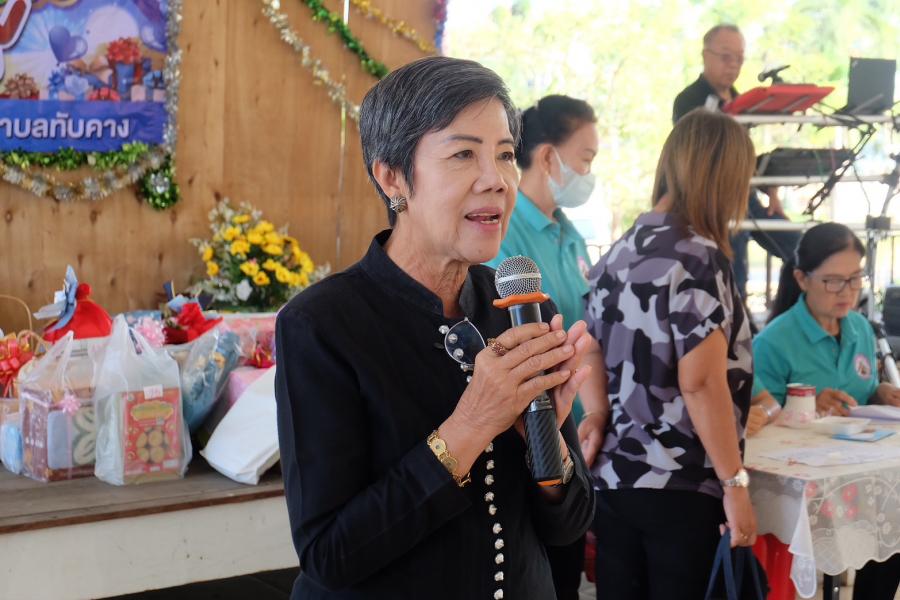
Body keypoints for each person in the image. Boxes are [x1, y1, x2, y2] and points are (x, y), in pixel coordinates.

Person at [274, 56, 596, 600]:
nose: (496, 181)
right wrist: (472, 423)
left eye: (505, 155)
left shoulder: (517, 306)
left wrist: (547, 443)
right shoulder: (322, 324)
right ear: (393, 177)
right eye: (463, 154)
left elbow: (568, 528)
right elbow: (330, 555)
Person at [579, 109, 758, 599]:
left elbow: (588, 349)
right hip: (681, 484)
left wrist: (597, 412)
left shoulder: (617, 253)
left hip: (615, 479)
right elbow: (700, 382)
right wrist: (735, 484)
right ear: (723, 178)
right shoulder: (698, 257)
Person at [487, 94, 599, 600]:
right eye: (585, 159)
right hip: (523, 424)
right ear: (549, 157)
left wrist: (595, 413)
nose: (588, 173)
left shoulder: (570, 235)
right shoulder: (503, 235)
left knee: (567, 568)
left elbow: (586, 330)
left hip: (570, 419)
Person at [752, 222, 900, 599]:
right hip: (807, 484)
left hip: (860, 470)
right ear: (802, 279)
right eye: (833, 281)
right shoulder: (773, 342)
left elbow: (861, 390)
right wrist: (804, 405)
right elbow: (758, 415)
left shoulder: (860, 329)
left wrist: (880, 392)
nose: (847, 291)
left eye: (855, 279)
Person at [673, 23, 800, 298]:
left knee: (799, 250)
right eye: (726, 56)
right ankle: (736, 315)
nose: (733, 65)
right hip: (712, 202)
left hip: (746, 196)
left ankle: (786, 312)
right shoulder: (688, 101)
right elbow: (692, 158)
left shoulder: (744, 100)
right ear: (706, 55)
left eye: (739, 58)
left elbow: (744, 157)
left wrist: (771, 188)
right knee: (733, 273)